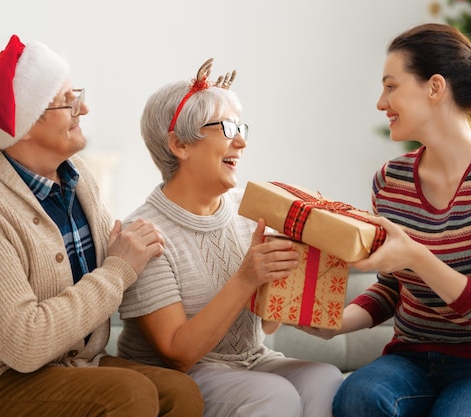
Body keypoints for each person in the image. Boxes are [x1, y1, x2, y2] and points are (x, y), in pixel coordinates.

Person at [0, 35, 204, 417]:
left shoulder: (80, 179)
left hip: (76, 365)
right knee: (128, 395)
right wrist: (117, 270)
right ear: (24, 124)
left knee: (182, 393)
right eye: (68, 101)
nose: (84, 108)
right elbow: (24, 343)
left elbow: (116, 268)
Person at [301, 23, 471, 417]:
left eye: (391, 86)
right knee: (356, 396)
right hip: (410, 358)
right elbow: (392, 287)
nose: (380, 102)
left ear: (434, 87)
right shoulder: (390, 181)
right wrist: (336, 323)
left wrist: (417, 255)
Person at [116, 58, 343, 417]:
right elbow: (178, 352)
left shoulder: (251, 211)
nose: (241, 141)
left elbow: (266, 325)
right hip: (181, 374)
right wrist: (248, 277)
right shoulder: (143, 233)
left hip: (251, 361)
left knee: (325, 378)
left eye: (241, 127)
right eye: (225, 127)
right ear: (180, 145)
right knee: (274, 395)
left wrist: (291, 274)